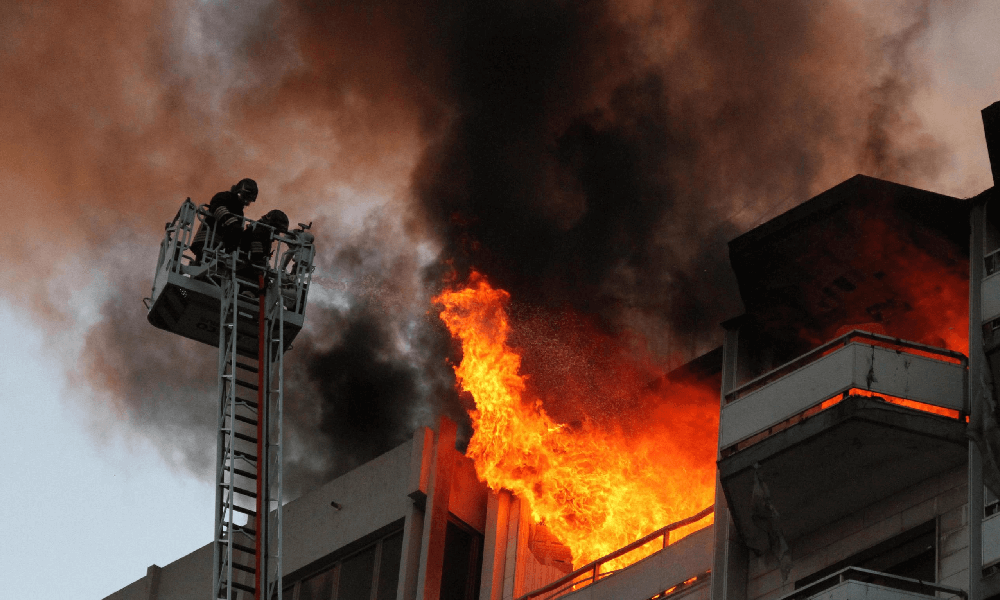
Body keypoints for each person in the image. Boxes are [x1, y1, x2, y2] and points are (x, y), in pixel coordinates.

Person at [190, 178, 258, 262]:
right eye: (245, 197)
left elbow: (235, 230)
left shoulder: (239, 212)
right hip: (206, 239)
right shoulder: (224, 197)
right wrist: (231, 223)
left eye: (249, 200)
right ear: (238, 192)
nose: (246, 201)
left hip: (219, 246)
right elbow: (217, 207)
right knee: (203, 262)